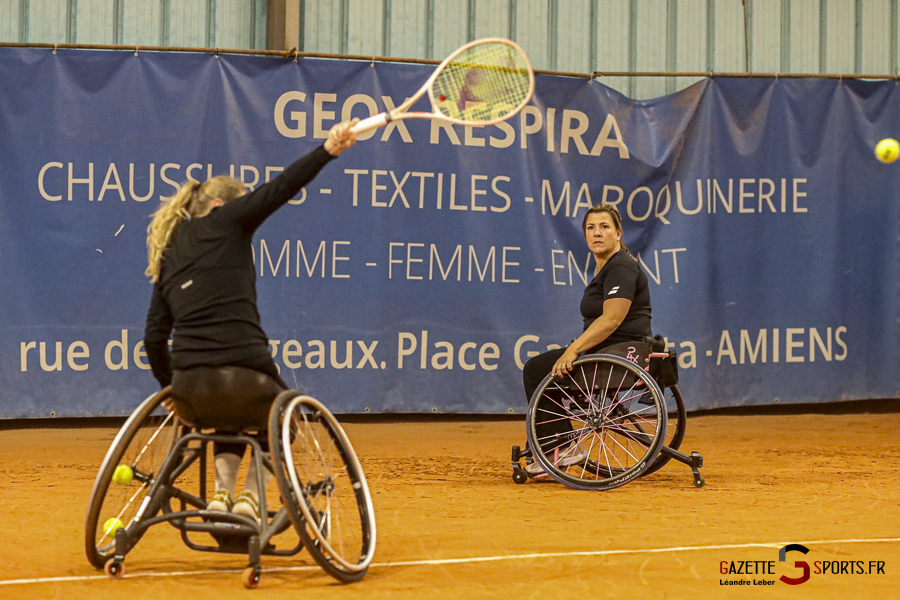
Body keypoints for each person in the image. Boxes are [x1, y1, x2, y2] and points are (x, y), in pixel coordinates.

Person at [143, 119, 359, 521]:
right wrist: (328, 149)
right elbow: (280, 188)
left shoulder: (169, 251)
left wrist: (170, 390)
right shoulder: (228, 219)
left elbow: (154, 337)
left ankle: (221, 498)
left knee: (231, 415)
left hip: (192, 390)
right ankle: (250, 497)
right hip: (247, 375)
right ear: (223, 207)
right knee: (280, 417)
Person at [521, 203, 652, 474]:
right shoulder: (607, 267)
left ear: (618, 233)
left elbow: (611, 320)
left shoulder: (621, 267)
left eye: (604, 227)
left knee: (537, 370)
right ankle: (551, 444)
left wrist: (573, 350)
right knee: (547, 372)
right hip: (612, 348)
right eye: (591, 228)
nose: (597, 233)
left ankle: (562, 447)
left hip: (618, 351)